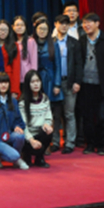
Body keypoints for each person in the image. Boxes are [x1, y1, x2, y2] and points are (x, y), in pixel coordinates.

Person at [78, 13, 104, 155]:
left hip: (102, 85)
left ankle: (100, 145)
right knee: (87, 117)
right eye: (84, 23)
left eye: (89, 22)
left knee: (101, 117)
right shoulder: (82, 40)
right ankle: (90, 144)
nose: (86, 25)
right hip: (85, 85)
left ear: (97, 23)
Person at [51, 14, 83, 154]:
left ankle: (70, 143)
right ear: (55, 24)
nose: (64, 26)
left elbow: (79, 64)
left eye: (66, 23)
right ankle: (55, 142)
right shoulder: (50, 42)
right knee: (55, 115)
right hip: (54, 84)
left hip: (69, 82)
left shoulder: (74, 43)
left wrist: (77, 82)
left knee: (69, 114)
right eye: (61, 23)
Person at [0, 73, 30, 170]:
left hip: (9, 135)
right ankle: (14, 159)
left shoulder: (13, 101)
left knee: (20, 136)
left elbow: (20, 121)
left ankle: (12, 157)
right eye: (0, 82)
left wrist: (17, 126)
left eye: (6, 82)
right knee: (15, 155)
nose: (3, 85)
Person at [32, 18, 63, 154]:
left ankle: (51, 142)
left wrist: (57, 84)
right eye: (40, 29)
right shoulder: (31, 43)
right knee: (36, 111)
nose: (42, 31)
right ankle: (37, 141)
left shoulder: (53, 44)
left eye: (45, 29)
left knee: (51, 113)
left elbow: (58, 66)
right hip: (36, 80)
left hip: (50, 80)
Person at [19, 70, 52, 168]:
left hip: (40, 133)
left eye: (38, 81)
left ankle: (39, 158)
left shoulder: (45, 99)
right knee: (21, 137)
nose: (36, 84)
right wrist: (31, 140)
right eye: (32, 82)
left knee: (49, 132)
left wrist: (47, 124)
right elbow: (23, 125)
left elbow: (48, 117)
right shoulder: (22, 102)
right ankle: (26, 155)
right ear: (27, 84)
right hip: (28, 137)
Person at [0, 20, 21, 98]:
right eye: (1, 30)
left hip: (9, 80)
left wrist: (15, 90)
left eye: (5, 30)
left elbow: (16, 69)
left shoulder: (14, 46)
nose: (3, 32)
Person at [13, 16, 38, 91]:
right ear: (13, 27)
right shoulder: (11, 42)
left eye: (22, 25)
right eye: (17, 25)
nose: (19, 27)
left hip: (26, 78)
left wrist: (32, 78)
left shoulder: (30, 41)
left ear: (26, 27)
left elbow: (34, 62)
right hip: (14, 78)